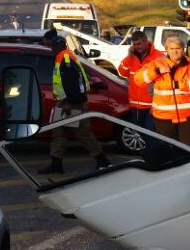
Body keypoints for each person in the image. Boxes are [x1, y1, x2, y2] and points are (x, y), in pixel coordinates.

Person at [38, 34, 110, 174]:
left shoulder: (65, 60)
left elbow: (72, 84)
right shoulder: (65, 57)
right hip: (68, 102)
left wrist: (68, 103)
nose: (50, 50)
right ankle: (56, 163)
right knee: (59, 133)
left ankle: (102, 161)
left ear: (55, 47)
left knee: (82, 133)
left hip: (71, 104)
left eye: (51, 47)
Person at [136, 36, 190, 148]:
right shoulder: (157, 64)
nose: (175, 51)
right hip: (163, 117)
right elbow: (138, 80)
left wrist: (177, 85)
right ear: (166, 50)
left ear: (183, 49)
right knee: (167, 150)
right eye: (171, 48)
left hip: (189, 116)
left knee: (189, 150)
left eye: (178, 48)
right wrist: (157, 71)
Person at [116, 30, 164, 136]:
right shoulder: (131, 57)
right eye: (134, 44)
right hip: (136, 104)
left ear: (146, 41)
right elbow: (122, 72)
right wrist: (129, 57)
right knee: (140, 133)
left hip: (152, 104)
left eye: (139, 44)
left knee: (152, 135)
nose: (137, 47)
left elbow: (165, 77)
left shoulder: (158, 56)